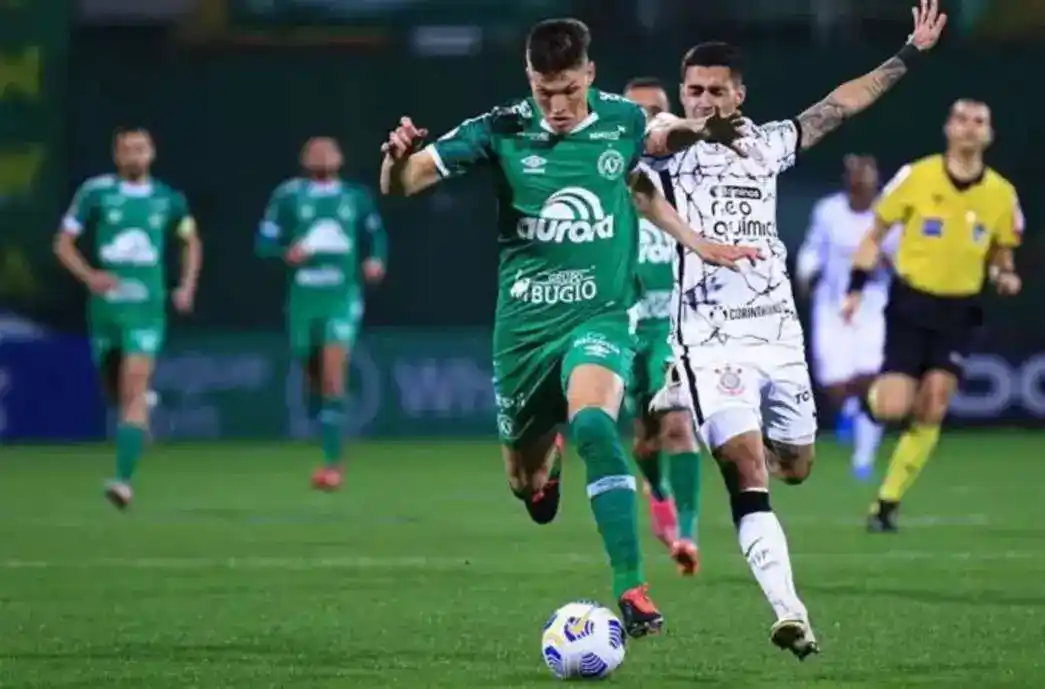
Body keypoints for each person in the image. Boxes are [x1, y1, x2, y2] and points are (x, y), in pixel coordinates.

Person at [378, 18, 756, 636]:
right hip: (524, 333)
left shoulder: (620, 120)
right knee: (523, 485)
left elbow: (659, 145)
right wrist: (395, 161)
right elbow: (404, 183)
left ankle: (631, 588)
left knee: (595, 424)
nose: (556, 107)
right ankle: (542, 469)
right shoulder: (499, 129)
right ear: (529, 78)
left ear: (590, 74)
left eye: (569, 91)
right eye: (544, 92)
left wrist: (702, 138)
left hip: (599, 316)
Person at [642, 0, 947, 658]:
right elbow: (659, 138)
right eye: (693, 89)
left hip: (778, 336)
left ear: (739, 94)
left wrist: (908, 53)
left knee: (797, 466)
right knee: (748, 469)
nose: (701, 100)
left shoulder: (769, 143)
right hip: (711, 337)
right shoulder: (669, 144)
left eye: (715, 91)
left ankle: (706, 410)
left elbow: (840, 104)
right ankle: (791, 612)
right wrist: (692, 126)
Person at [842, 98, 1024, 533]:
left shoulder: (1002, 194)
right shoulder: (917, 176)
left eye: (979, 121)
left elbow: (1002, 253)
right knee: (894, 407)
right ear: (948, 128)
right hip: (911, 303)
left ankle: (886, 504)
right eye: (961, 119)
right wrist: (855, 289)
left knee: (934, 403)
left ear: (989, 134)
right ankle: (868, 406)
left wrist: (1004, 275)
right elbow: (875, 234)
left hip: (960, 309)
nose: (969, 127)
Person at [53, 127, 202, 510]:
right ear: (117, 156)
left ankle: (123, 481)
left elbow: (191, 242)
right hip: (105, 309)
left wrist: (185, 286)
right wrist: (89, 276)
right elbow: (63, 243)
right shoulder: (96, 193)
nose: (135, 155)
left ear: (152, 154)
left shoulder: (168, 199)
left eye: (141, 149)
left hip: (146, 309)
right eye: (127, 150)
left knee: (133, 388)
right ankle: (139, 412)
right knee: (117, 392)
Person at [256, 137, 387, 491]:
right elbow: (263, 243)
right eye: (315, 151)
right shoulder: (288, 196)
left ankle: (333, 464)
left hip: (342, 298)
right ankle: (328, 426)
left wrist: (376, 260)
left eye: (329, 150)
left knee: (332, 375)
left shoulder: (355, 197)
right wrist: (285, 253)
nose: (323, 155)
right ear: (303, 159)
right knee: (312, 374)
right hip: (303, 300)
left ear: (341, 158)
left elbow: (376, 236)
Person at [621, 76, 704, 576]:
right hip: (624, 328)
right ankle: (657, 490)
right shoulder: (607, 174)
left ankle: (687, 535)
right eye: (637, 112)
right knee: (646, 440)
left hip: (672, 329)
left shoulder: (691, 172)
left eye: (655, 111)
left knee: (677, 425)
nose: (647, 120)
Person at [794, 154, 888, 480]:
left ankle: (864, 456)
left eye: (865, 173)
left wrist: (887, 261)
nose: (859, 180)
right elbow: (812, 248)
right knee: (835, 384)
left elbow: (903, 254)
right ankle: (848, 410)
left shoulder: (888, 212)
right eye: (854, 173)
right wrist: (806, 273)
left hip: (873, 306)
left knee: (870, 378)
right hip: (831, 306)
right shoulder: (828, 211)